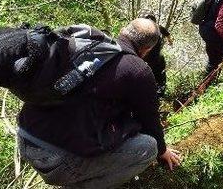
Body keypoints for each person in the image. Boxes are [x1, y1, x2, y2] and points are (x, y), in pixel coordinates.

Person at [17, 18, 182, 188]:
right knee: (148, 147)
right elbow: (150, 121)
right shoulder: (138, 70)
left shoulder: (88, 45)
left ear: (122, 31)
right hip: (57, 161)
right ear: (147, 49)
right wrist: (162, 151)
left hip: (25, 138)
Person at [141, 13, 172, 98]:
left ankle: (157, 94)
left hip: (152, 58)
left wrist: (170, 41)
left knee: (157, 75)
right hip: (151, 58)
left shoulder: (156, 28)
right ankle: (156, 93)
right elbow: (167, 34)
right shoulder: (146, 29)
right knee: (157, 76)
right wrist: (170, 41)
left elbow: (167, 34)